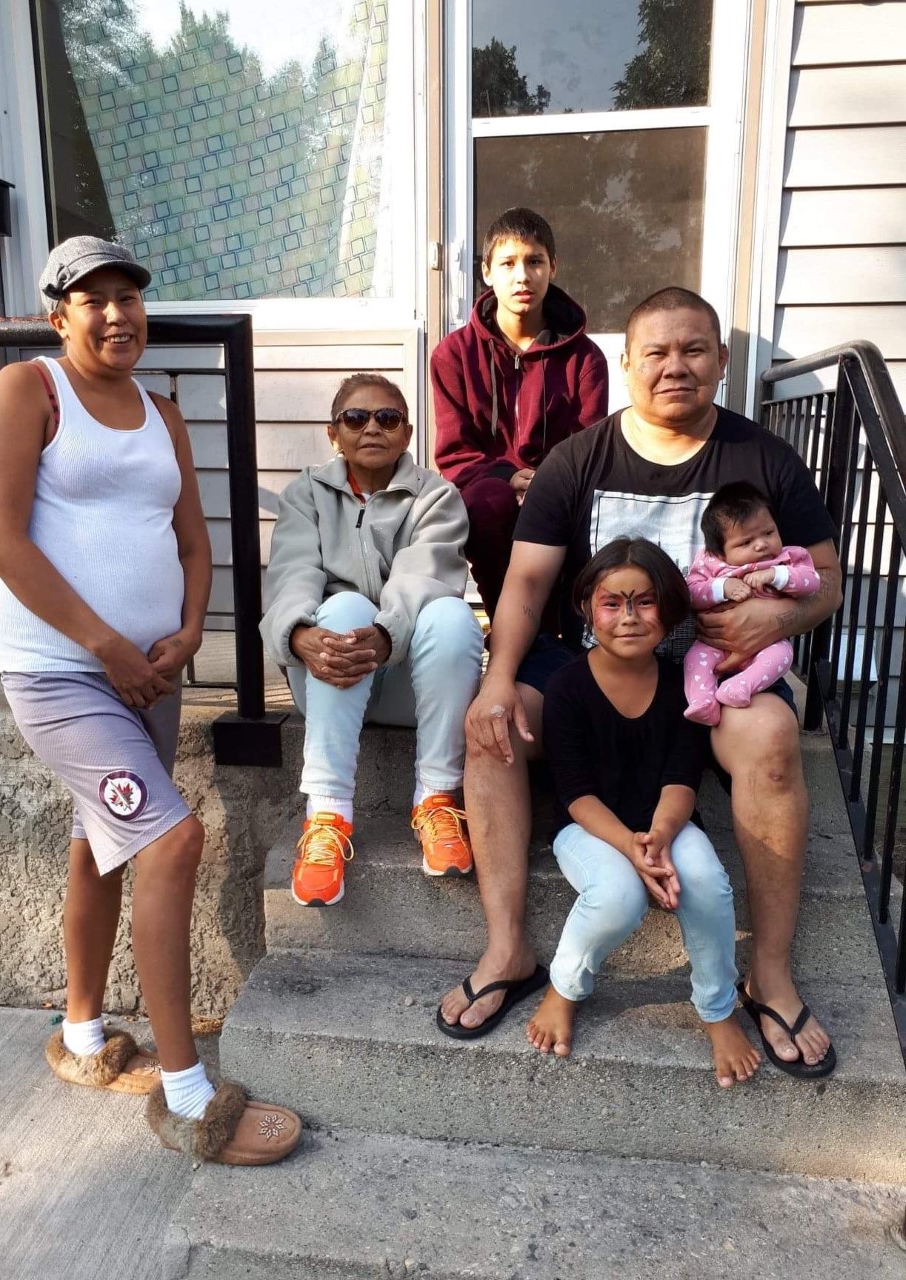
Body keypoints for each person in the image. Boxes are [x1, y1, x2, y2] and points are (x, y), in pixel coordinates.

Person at [437, 286, 841, 1081]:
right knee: (493, 726)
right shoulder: (578, 459)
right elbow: (522, 585)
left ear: (722, 363)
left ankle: (773, 972)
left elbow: (824, 579)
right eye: (655, 352)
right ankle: (509, 947)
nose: (675, 367)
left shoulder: (762, 458)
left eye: (694, 350)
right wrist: (498, 678)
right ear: (627, 365)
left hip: (715, 667)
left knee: (770, 733)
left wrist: (777, 624)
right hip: (589, 670)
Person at [0, 236, 300, 1165]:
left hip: (148, 676)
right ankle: (190, 1097)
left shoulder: (162, 412)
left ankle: (81, 1031)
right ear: (59, 313)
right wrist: (109, 647)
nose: (118, 314)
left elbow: (194, 540)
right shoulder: (27, 391)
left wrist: (191, 630)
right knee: (172, 836)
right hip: (63, 674)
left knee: (102, 841)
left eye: (130, 297)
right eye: (95, 299)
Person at [527, 538, 760, 1088]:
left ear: (671, 609)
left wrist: (656, 837)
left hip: (668, 822)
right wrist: (631, 847)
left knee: (705, 882)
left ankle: (718, 1006)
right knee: (618, 895)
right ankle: (563, 986)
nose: (629, 617)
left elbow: (683, 778)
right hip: (588, 828)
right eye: (614, 603)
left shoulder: (687, 683)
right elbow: (577, 793)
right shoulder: (565, 688)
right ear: (587, 607)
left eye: (646, 601)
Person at [261, 373, 484, 908]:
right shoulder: (305, 494)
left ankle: (435, 800)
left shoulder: (437, 496)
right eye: (355, 418)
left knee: (454, 616)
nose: (371, 429)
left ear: (406, 433)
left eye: (387, 418)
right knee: (340, 606)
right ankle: (327, 815)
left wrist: (386, 636)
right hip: (328, 676)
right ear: (333, 433)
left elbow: (421, 577)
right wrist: (299, 635)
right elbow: (292, 574)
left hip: (415, 685)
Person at [431, 206, 609, 618]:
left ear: (553, 267)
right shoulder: (454, 354)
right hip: (487, 486)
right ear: (488, 272)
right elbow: (456, 451)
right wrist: (506, 476)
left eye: (534, 261)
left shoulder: (585, 358)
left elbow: (590, 442)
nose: (522, 276)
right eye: (508, 263)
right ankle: (507, 625)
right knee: (490, 503)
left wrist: (546, 482)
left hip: (561, 484)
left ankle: (559, 633)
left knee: (577, 515)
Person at [684, 482, 821, 726]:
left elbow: (812, 582)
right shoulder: (710, 564)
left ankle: (741, 686)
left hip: (765, 644)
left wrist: (776, 576)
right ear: (719, 552)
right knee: (695, 658)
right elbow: (691, 594)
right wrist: (721, 587)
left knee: (783, 654)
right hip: (715, 643)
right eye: (745, 543)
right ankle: (703, 701)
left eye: (768, 533)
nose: (761, 544)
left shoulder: (788, 558)